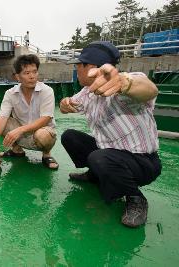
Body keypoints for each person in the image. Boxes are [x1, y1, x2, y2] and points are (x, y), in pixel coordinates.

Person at [60, 41, 162, 228]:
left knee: (100, 157)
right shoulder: (87, 92)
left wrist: (124, 83)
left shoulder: (123, 83)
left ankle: (135, 197)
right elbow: (67, 105)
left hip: (143, 162)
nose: (76, 68)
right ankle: (95, 176)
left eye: (78, 65)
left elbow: (149, 89)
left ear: (90, 68)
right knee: (69, 136)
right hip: (109, 153)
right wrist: (65, 103)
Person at [0, 54, 59, 169]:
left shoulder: (47, 91)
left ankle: (46, 154)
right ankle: (17, 150)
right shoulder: (10, 93)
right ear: (18, 77)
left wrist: (20, 130)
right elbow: (2, 117)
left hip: (41, 134)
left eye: (35, 72)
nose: (32, 76)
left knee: (43, 135)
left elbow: (46, 119)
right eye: (27, 73)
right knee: (3, 123)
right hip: (21, 136)